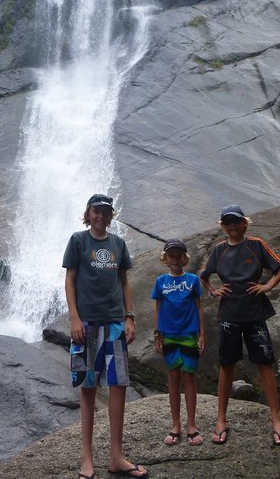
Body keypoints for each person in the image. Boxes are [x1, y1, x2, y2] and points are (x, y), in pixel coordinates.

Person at [63, 194, 149, 479]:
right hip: (86, 325)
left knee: (118, 386)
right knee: (88, 388)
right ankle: (86, 459)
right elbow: (70, 280)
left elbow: (124, 282)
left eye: (105, 212)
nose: (100, 215)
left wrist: (129, 316)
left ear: (111, 216)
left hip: (114, 323)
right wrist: (74, 318)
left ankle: (116, 456)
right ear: (88, 213)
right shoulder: (78, 241)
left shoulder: (118, 244)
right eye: (95, 211)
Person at [199, 204, 280, 446]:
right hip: (229, 314)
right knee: (226, 365)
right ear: (223, 226)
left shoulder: (256, 244)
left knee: (264, 364)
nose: (231, 226)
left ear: (243, 223)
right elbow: (203, 275)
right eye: (226, 223)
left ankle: (276, 419)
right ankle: (221, 419)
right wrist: (213, 291)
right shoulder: (219, 251)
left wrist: (267, 286)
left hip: (254, 313)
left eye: (235, 222)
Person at [150, 238, 205, 447]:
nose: (174, 259)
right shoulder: (160, 281)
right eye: (170, 255)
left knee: (189, 377)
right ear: (165, 259)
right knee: (173, 378)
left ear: (184, 258)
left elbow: (199, 307)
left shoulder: (192, 280)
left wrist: (202, 334)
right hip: (169, 335)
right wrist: (157, 334)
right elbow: (157, 308)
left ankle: (191, 424)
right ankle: (176, 425)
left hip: (189, 334)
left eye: (178, 255)